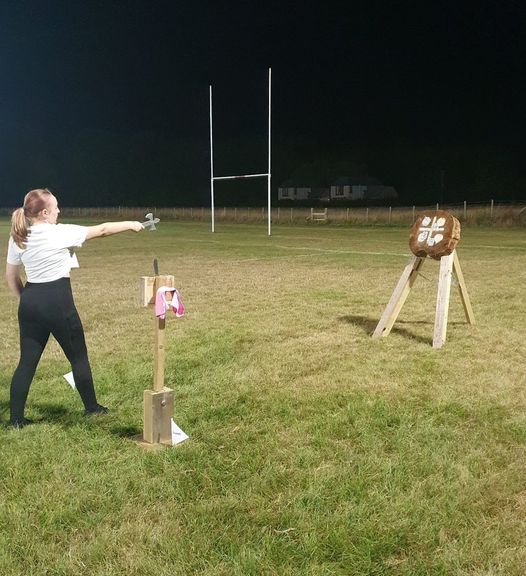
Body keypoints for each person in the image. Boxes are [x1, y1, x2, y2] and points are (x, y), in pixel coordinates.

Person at [5, 188, 144, 428]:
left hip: (30, 302)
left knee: (27, 362)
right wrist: (132, 223)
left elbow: (10, 276)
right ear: (46, 212)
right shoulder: (60, 233)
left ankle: (15, 420)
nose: (59, 210)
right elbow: (102, 230)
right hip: (58, 302)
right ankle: (92, 408)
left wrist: (25, 299)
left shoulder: (19, 236)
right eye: (56, 207)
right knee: (78, 356)